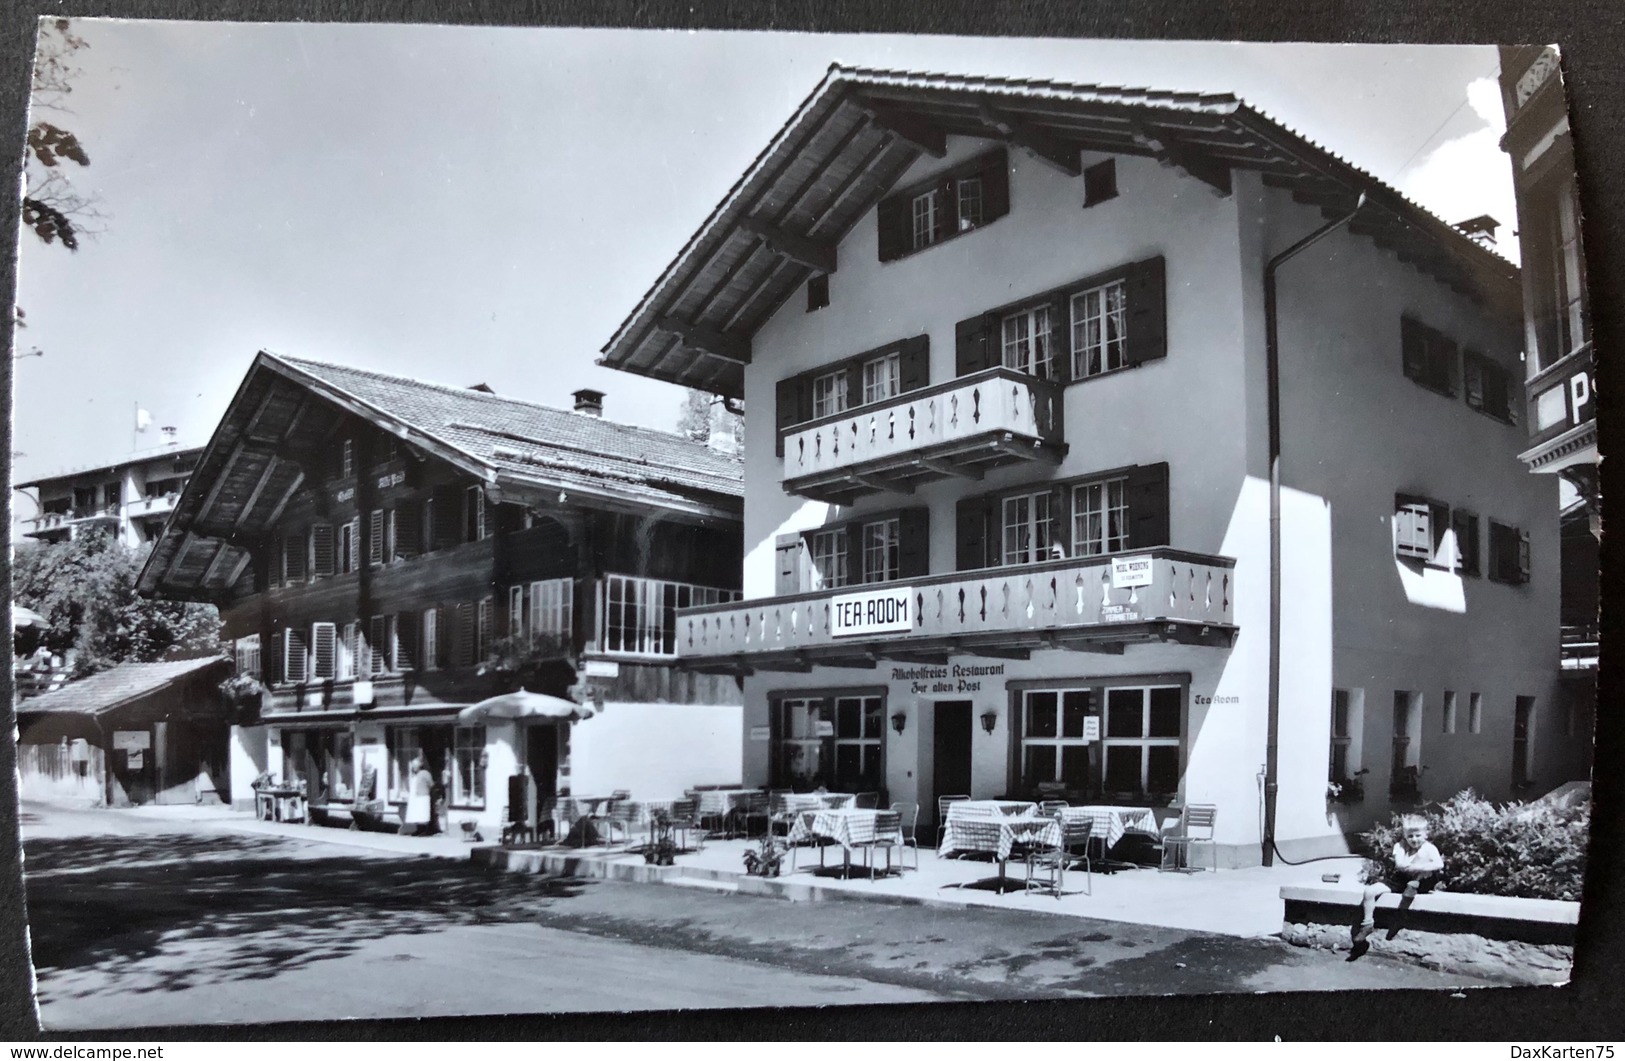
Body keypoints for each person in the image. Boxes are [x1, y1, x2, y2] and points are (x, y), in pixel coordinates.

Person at [1354, 815, 1444, 944]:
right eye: (1410, 836)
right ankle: (1367, 924)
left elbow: (1439, 864)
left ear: (1425, 835)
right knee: (1369, 891)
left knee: (1424, 857)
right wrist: (1411, 867)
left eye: (1418, 835)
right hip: (1401, 879)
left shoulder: (1429, 848)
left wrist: (1417, 867)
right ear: (1405, 836)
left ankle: (1414, 885)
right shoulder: (1400, 846)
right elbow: (1400, 865)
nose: (1414, 839)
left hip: (1423, 881)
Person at [401, 753, 433, 836]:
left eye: (415, 766)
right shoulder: (415, 775)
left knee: (422, 814)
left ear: (419, 766)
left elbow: (431, 784)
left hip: (423, 797)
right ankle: (418, 830)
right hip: (415, 797)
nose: (413, 768)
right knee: (417, 814)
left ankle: (424, 831)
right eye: (413, 766)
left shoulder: (425, 773)